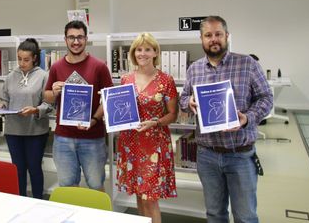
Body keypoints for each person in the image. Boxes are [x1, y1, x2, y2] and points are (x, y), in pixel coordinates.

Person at [179, 16, 273, 223]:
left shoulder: (247, 64)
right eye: (208, 35)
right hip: (207, 155)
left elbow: (267, 98)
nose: (214, 39)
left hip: (240, 154)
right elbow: (183, 97)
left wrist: (247, 118)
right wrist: (189, 102)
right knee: (215, 214)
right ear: (201, 39)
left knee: (245, 216)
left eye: (218, 34)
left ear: (227, 36)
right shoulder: (194, 69)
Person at [116, 32, 178, 223]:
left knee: (150, 199)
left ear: (155, 52)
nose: (142, 53)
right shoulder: (126, 79)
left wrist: (156, 122)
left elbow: (173, 114)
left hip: (154, 146)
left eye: (147, 49)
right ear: (134, 53)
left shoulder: (166, 80)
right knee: (138, 196)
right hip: (130, 144)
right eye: (138, 49)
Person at [43, 20, 113, 191]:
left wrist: (95, 120)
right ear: (65, 39)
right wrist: (54, 91)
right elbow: (47, 97)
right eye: (72, 37)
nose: (76, 42)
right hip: (63, 138)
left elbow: (107, 98)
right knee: (67, 187)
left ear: (86, 38)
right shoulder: (56, 67)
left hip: (93, 137)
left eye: (80, 37)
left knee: (96, 186)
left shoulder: (99, 67)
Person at [0, 38, 52, 199]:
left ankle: (38, 201)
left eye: (26, 59)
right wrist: (2, 105)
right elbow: (5, 98)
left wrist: (35, 110)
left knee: (34, 168)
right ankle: (19, 201)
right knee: (17, 169)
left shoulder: (43, 76)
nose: (21, 63)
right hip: (13, 131)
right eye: (19, 59)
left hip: (35, 131)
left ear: (35, 58)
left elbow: (49, 104)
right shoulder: (11, 76)